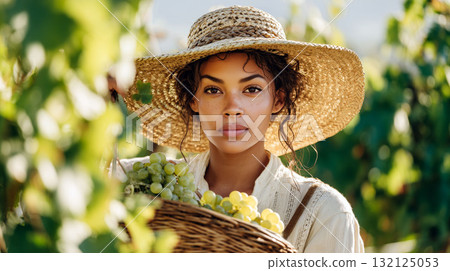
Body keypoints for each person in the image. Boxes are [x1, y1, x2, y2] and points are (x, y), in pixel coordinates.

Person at [111, 6, 365, 252]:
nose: (232, 108)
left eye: (252, 90)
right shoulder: (139, 183)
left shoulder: (325, 215)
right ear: (193, 100)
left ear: (278, 99)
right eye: (213, 90)